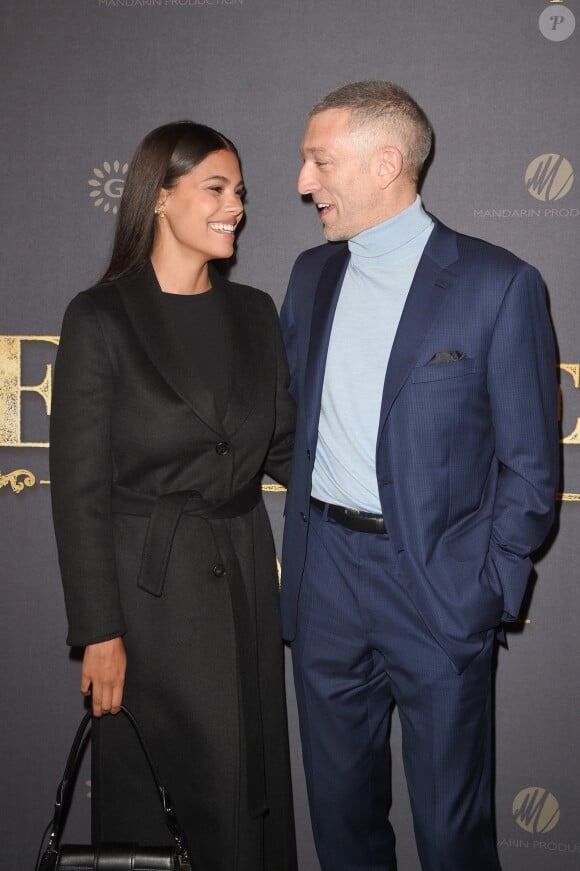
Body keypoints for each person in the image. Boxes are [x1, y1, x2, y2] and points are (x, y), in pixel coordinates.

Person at [280, 81, 559, 871]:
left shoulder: (498, 284)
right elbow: (294, 428)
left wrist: (488, 586)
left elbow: (533, 468)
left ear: (385, 163)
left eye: (318, 161)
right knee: (341, 826)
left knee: (452, 834)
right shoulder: (310, 277)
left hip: (438, 586)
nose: (303, 183)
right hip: (327, 582)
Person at [50, 120, 297, 871]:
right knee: (162, 804)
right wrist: (99, 631)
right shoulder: (100, 317)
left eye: (241, 192)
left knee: (247, 790)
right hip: (147, 601)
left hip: (245, 578)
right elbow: (79, 489)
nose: (237, 208)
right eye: (216, 189)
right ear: (161, 198)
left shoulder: (255, 311)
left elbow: (286, 446)